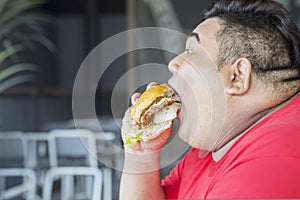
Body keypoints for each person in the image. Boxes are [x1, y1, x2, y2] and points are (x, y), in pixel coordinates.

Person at [120, 0, 300, 199]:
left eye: (190, 51)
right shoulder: (216, 144)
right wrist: (140, 154)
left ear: (237, 76)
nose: (173, 63)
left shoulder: (269, 165)